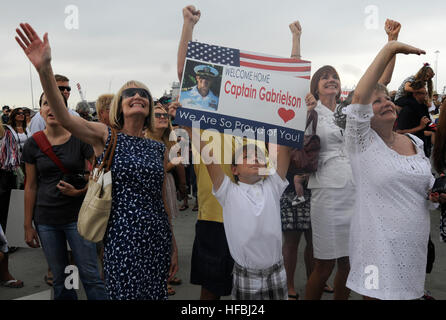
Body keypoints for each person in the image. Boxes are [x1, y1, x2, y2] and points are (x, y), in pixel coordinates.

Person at [16, 22, 178, 300]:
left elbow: (160, 196)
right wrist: (44, 70)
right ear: (119, 105)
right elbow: (64, 116)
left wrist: (172, 242)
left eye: (143, 94)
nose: (137, 96)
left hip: (156, 235)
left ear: (150, 105)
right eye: (129, 93)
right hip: (122, 238)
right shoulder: (105, 136)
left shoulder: (157, 148)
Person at [344, 40, 437, 300]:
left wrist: (436, 194)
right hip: (377, 249)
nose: (385, 103)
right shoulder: (361, 143)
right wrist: (390, 49)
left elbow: (425, 190)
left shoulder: (416, 143)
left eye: (387, 98)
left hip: (413, 248)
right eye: (377, 102)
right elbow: (360, 97)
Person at [23, 92, 106, 300]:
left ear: (64, 109)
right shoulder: (33, 143)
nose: (51, 108)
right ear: (40, 110)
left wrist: (79, 191)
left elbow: (99, 173)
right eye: (45, 104)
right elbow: (30, 185)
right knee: (61, 278)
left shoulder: (80, 138)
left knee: (90, 276)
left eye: (56, 104)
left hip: (78, 217)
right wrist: (27, 225)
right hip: (46, 220)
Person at [176, 5, 234, 300]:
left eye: (208, 80)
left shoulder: (256, 130)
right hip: (213, 217)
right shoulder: (205, 121)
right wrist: (188, 26)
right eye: (201, 79)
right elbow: (183, 69)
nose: (203, 83)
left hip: (250, 218)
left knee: (249, 289)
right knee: (210, 289)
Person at [146, 101, 184, 295]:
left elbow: (179, 162)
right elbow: (161, 169)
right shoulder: (145, 140)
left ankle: (167, 271)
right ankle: (163, 277)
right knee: (159, 229)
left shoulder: (169, 139)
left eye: (165, 116)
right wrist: (172, 164)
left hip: (167, 184)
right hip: (155, 188)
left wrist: (182, 186)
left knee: (167, 226)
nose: (163, 118)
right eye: (158, 115)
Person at [396, 86, 434, 157]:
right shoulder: (407, 109)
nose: (426, 96)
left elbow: (428, 123)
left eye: (426, 93)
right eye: (423, 93)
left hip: (423, 145)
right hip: (411, 147)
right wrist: (420, 127)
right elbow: (399, 132)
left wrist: (437, 129)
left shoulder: (423, 107)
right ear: (415, 94)